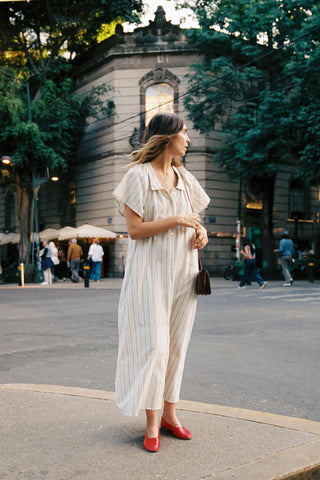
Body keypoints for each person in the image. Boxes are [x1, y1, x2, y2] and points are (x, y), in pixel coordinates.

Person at [113, 113, 210, 452]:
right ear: (167, 137)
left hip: (184, 273)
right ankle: (152, 422)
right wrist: (176, 220)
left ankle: (170, 414)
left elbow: (196, 221)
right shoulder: (137, 176)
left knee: (176, 345)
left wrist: (202, 234)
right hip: (149, 273)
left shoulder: (184, 177)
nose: (188, 138)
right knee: (155, 346)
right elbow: (134, 231)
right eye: (184, 132)